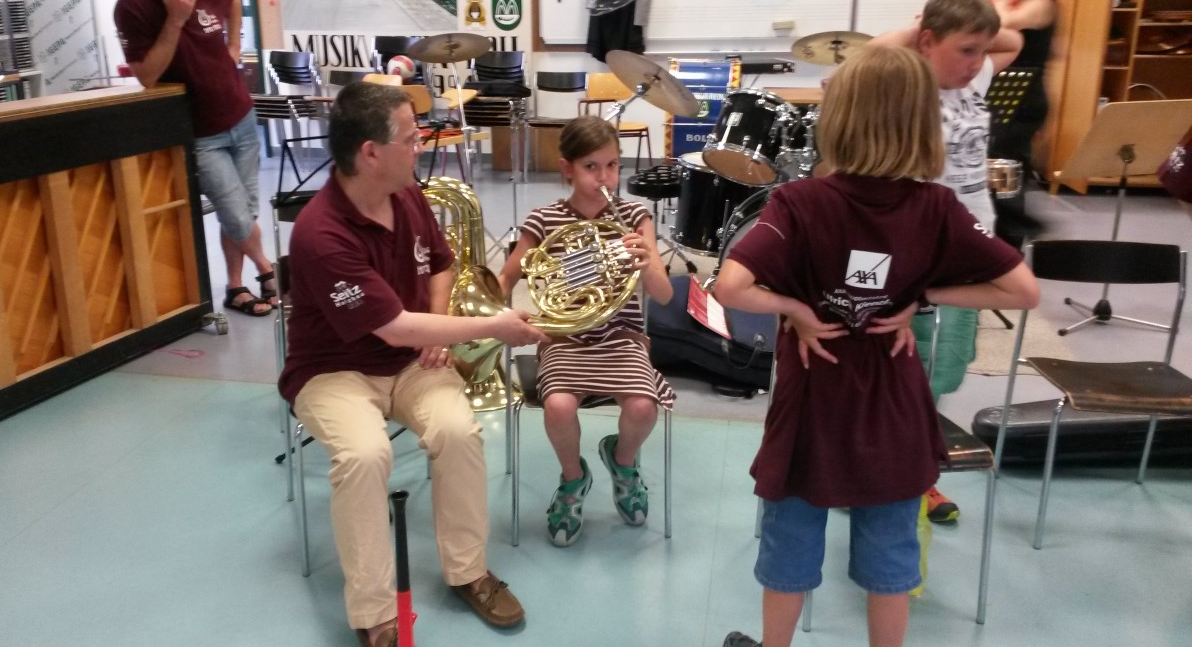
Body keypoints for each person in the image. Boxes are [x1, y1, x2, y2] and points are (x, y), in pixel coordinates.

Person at [714, 45, 1040, 647]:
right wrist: (922, 297)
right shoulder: (936, 206)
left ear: (838, 119)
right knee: (891, 550)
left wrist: (796, 309)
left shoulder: (800, 202)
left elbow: (731, 287)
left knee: (791, 539)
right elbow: (1023, 290)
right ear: (920, 123)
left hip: (813, 408)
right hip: (893, 408)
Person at [278, 82, 547, 647]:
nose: (420, 146)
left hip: (409, 363)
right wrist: (494, 326)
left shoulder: (407, 195)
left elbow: (441, 264)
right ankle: (376, 614)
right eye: (410, 138)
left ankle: (469, 572)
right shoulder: (321, 233)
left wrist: (438, 320)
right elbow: (396, 328)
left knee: (458, 431)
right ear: (370, 152)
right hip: (333, 371)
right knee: (364, 455)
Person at [870, 0, 1023, 523]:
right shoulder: (906, 81)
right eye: (964, 50)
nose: (976, 61)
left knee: (946, 365)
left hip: (970, 243)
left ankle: (914, 466)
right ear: (927, 42)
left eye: (980, 51)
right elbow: (871, 54)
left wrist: (967, 35)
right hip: (917, 247)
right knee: (902, 365)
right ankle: (889, 472)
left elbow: (1013, 40)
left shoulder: (974, 76)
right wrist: (920, 32)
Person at [497, 115, 675, 547]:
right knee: (558, 407)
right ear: (567, 169)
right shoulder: (544, 220)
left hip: (621, 337)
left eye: (612, 166)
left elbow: (664, 294)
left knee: (643, 408)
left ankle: (623, 462)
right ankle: (573, 478)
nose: (604, 177)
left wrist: (646, 262)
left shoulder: (633, 217)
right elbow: (506, 277)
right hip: (565, 338)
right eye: (591, 167)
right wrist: (495, 318)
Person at [114, 0, 277, 318]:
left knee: (242, 211)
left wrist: (234, 47)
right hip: (201, 132)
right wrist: (175, 20)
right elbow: (147, 76)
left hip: (240, 115)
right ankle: (269, 270)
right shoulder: (133, 5)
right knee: (235, 213)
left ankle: (235, 287)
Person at [988, 0, 1059, 237]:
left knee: (1006, 163)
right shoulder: (1024, 4)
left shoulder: (1043, 5)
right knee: (999, 161)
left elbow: (996, 24)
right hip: (1006, 94)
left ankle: (1012, 229)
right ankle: (1007, 221)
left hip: (1022, 97)